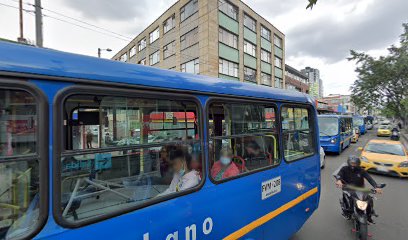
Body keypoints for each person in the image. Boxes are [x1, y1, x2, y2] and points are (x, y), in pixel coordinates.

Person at [335, 155, 383, 223]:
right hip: (348, 188)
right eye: (352, 163)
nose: (353, 165)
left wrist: (376, 187)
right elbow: (339, 175)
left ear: (358, 164)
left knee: (369, 199)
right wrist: (338, 180)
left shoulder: (361, 170)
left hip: (360, 189)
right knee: (348, 197)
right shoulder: (344, 169)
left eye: (355, 163)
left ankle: (370, 214)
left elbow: (369, 178)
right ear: (348, 163)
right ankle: (347, 212)